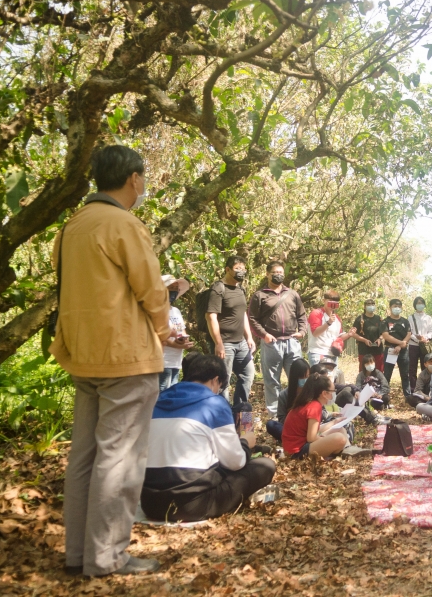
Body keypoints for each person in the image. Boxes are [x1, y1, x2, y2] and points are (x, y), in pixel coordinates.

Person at [51, 145, 172, 576]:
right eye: (143, 179)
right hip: (125, 356)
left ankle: (78, 553)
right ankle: (106, 557)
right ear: (133, 179)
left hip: (83, 354)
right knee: (119, 458)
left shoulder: (72, 226)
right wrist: (164, 328)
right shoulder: (123, 224)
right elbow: (151, 288)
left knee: (84, 456)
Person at [141, 354, 277, 522]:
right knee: (265, 465)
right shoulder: (214, 403)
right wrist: (245, 443)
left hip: (150, 503)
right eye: (220, 386)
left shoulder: (157, 400)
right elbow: (236, 462)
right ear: (215, 380)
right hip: (192, 505)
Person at [248, 260, 308, 418]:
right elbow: (252, 319)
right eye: (275, 272)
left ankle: (297, 412)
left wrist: (302, 331)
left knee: (299, 379)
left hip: (292, 342)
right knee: (272, 381)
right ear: (267, 274)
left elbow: (302, 315)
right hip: (271, 342)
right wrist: (264, 335)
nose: (278, 275)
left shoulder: (292, 294)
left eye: (281, 272)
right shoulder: (260, 295)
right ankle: (275, 416)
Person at [205, 256, 257, 406]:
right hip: (225, 343)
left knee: (248, 375)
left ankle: (241, 413)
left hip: (241, 343)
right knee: (223, 382)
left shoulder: (241, 288)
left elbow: (243, 315)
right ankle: (223, 415)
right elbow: (211, 317)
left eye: (243, 269)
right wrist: (218, 343)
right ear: (227, 269)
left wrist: (249, 337)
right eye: (237, 269)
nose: (241, 272)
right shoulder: (218, 289)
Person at [282, 372, 349, 459]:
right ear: (324, 393)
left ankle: (348, 449)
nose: (333, 396)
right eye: (332, 392)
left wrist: (334, 422)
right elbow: (311, 438)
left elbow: (314, 429)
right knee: (340, 438)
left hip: (300, 446)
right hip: (297, 452)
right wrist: (326, 440)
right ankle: (344, 450)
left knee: (340, 429)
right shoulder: (315, 406)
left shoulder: (309, 402)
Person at [160, 275, 193, 391]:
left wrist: (184, 341)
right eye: (171, 287)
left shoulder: (176, 311)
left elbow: (181, 331)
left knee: (173, 393)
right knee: (162, 394)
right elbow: (160, 334)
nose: (173, 290)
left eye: (176, 288)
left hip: (176, 361)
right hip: (163, 361)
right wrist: (177, 345)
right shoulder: (157, 311)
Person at [265, 358, 309, 442]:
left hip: (310, 427)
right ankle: (297, 439)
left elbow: (322, 411)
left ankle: (297, 439)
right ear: (295, 377)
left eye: (307, 376)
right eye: (302, 377)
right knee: (271, 424)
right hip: (292, 429)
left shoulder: (312, 391)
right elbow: (281, 418)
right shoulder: (284, 395)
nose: (305, 380)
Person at [307, 290, 350, 366]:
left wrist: (349, 334)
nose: (332, 305)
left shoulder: (337, 318)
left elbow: (338, 337)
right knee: (319, 377)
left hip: (332, 354)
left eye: (335, 303)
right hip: (318, 352)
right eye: (330, 301)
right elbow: (315, 333)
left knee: (332, 378)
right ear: (324, 301)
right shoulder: (316, 313)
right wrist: (328, 323)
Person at [381, 299, 412, 401]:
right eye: (394, 306)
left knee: (405, 374)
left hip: (403, 351)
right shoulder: (385, 321)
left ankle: (408, 396)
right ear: (390, 307)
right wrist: (400, 343)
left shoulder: (405, 321)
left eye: (399, 306)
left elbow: (409, 334)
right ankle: (384, 397)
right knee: (387, 374)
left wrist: (401, 345)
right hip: (390, 350)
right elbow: (386, 336)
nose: (397, 308)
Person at [407, 296, 432, 396]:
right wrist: (417, 339)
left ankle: (426, 390)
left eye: (421, 303)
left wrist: (426, 338)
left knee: (426, 367)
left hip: (426, 345)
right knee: (412, 368)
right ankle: (414, 390)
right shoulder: (410, 318)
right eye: (418, 303)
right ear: (415, 305)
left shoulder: (428, 318)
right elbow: (409, 332)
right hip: (413, 345)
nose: (420, 305)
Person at [350, 299, 385, 373]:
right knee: (364, 371)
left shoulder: (379, 319)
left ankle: (378, 384)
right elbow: (353, 334)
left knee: (379, 371)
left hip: (378, 350)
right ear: (365, 307)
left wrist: (380, 339)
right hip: (364, 350)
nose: (371, 306)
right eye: (369, 305)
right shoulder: (359, 319)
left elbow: (384, 333)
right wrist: (364, 340)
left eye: (373, 304)